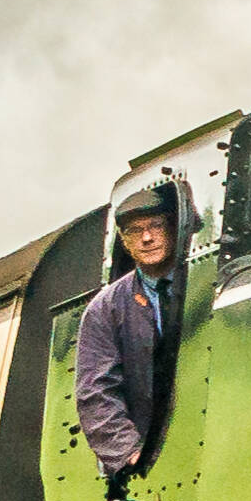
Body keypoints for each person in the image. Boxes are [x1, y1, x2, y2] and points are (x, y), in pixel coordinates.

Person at [75, 183, 179, 482]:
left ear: (172, 228)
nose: (147, 237)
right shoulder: (104, 308)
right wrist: (130, 453)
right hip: (142, 464)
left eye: (155, 226)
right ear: (124, 241)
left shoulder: (201, 287)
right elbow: (95, 391)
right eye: (135, 231)